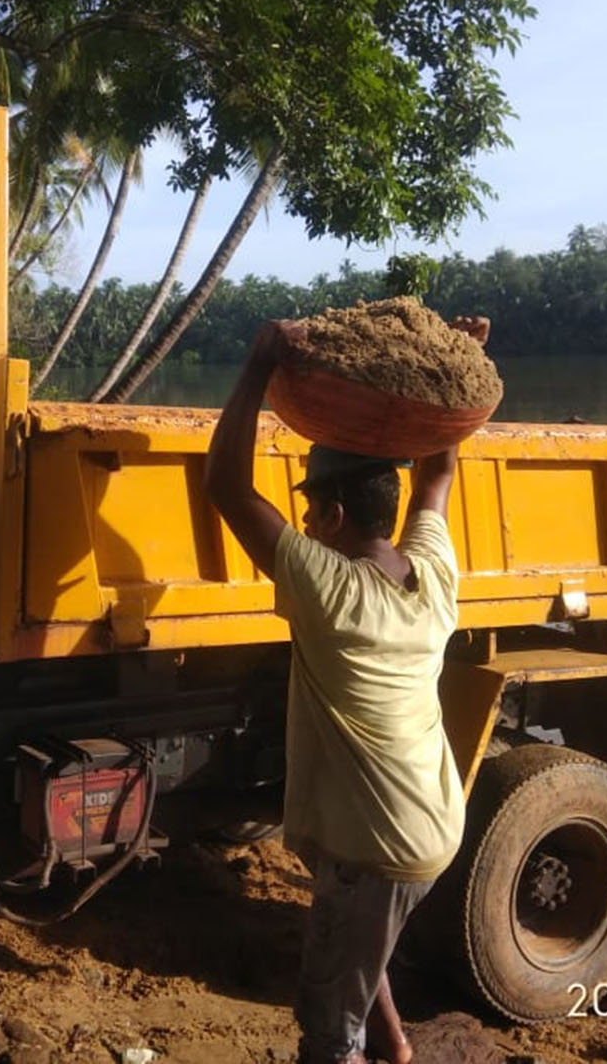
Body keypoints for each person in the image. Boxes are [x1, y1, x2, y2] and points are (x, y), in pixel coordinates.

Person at [204, 316, 486, 1064]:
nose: (302, 523)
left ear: (331, 515)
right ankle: (396, 1048)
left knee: (327, 1029)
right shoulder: (430, 575)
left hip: (380, 849)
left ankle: (363, 1049)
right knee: (365, 937)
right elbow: (438, 476)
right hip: (429, 826)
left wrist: (260, 362)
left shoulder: (332, 592)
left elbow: (226, 487)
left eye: (308, 511)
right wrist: (455, 365)